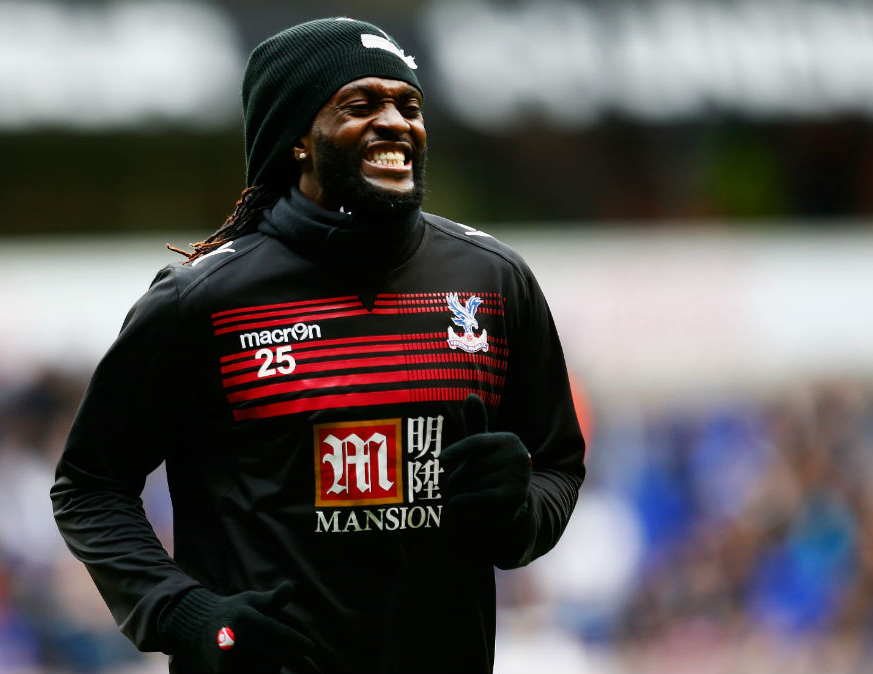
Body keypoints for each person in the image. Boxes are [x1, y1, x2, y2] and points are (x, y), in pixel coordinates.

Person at [52, 17, 585, 673]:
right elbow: (89, 486)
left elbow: (559, 463)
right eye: (361, 104)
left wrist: (521, 510)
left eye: (408, 105)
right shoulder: (202, 303)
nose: (396, 122)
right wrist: (184, 613)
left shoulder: (494, 282)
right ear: (298, 138)